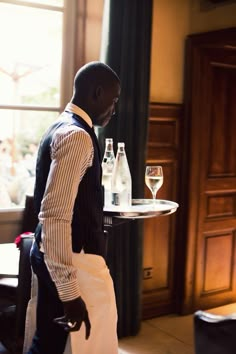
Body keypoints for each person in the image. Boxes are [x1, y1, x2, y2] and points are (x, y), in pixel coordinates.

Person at [27, 61, 121, 354]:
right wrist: (69, 293)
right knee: (79, 343)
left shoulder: (60, 126)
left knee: (51, 343)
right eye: (113, 100)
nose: (114, 109)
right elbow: (55, 215)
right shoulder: (77, 136)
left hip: (53, 253)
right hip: (71, 260)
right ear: (97, 93)